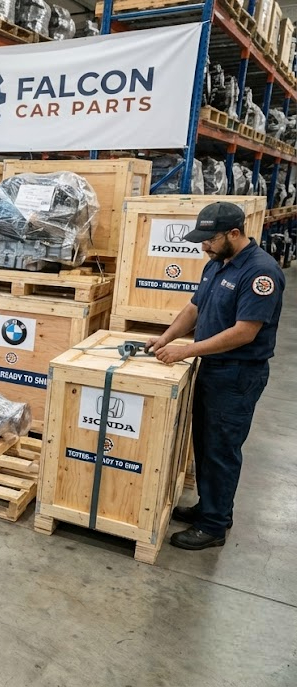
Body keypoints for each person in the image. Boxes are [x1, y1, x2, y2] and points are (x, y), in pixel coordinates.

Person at [146, 201, 284, 551]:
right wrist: (166, 338)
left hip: (238, 373)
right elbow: (195, 308)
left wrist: (186, 351)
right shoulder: (217, 263)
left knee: (222, 448)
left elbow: (244, 332)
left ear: (234, 233)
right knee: (206, 444)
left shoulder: (260, 273)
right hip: (213, 368)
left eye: (209, 239)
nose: (203, 246)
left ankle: (213, 527)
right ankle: (212, 508)